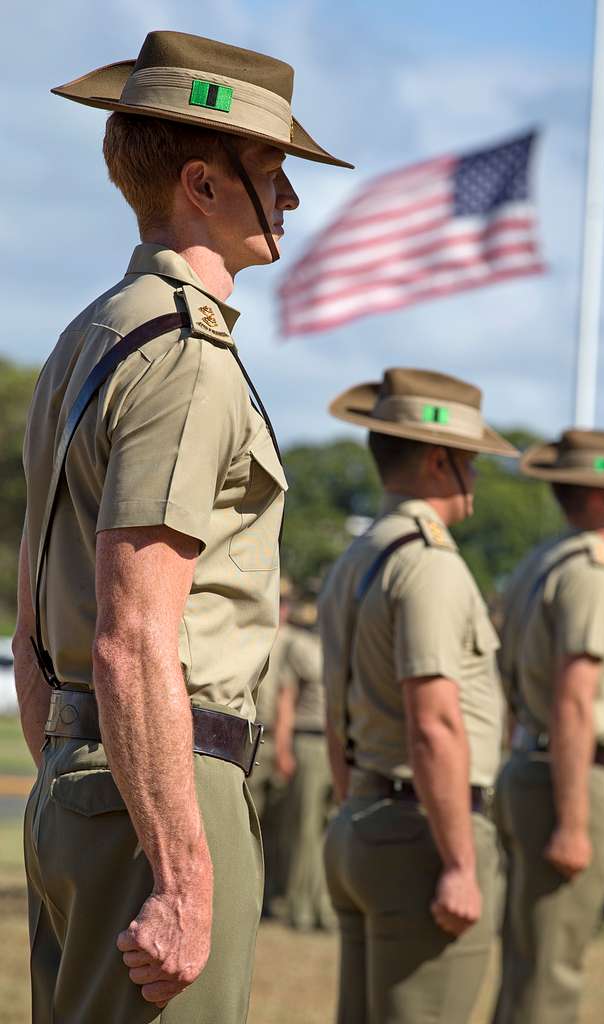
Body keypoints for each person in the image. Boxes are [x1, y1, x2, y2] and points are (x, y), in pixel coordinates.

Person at [13, 30, 351, 1024]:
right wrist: (178, 867)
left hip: (92, 780)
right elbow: (132, 637)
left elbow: (39, 611)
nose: (289, 199)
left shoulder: (90, 335)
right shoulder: (185, 356)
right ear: (203, 184)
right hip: (163, 785)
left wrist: (72, 777)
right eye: (272, 172)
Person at [319, 367, 519, 1024]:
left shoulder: (359, 555)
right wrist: (460, 862)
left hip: (366, 818)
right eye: (471, 461)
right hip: (422, 832)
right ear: (439, 460)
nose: (477, 478)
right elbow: (433, 724)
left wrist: (357, 806)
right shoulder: (429, 562)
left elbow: (336, 708)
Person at [493, 428, 604, 1024]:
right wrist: (573, 820)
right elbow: (574, 702)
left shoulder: (540, 563)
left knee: (526, 964)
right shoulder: (592, 573)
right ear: (598, 496)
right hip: (563, 777)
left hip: (530, 767)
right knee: (551, 977)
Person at [274, 600, 335, 931]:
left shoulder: (339, 643)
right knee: (304, 827)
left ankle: (324, 905)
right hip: (307, 741)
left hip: (334, 742)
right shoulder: (299, 647)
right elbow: (287, 699)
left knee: (328, 828)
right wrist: (284, 748)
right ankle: (299, 906)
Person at [249, 578, 297, 915]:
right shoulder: (251, 630)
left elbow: (286, 698)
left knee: (274, 829)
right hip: (246, 734)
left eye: (286, 600)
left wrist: (283, 747)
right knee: (247, 821)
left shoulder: (287, 642)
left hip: (270, 736)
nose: (282, 606)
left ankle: (264, 898)